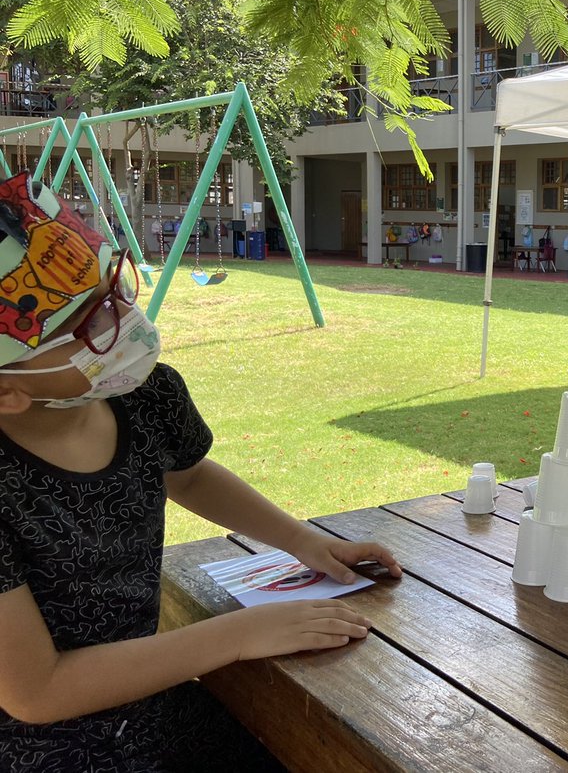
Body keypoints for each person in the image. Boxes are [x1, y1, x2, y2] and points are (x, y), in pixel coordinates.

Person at [0, 173, 402, 770]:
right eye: (88, 325)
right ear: (7, 390)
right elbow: (37, 691)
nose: (125, 321)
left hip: (147, 699)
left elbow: (187, 475)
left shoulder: (144, 395)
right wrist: (238, 634)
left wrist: (303, 541)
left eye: (115, 288)